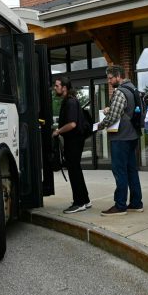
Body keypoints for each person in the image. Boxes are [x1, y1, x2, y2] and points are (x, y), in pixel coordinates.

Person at [96, 65, 143, 216]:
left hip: (121, 137)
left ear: (118, 76)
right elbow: (124, 110)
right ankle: (136, 203)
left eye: (110, 78)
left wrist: (99, 125)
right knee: (131, 171)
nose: (109, 81)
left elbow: (114, 116)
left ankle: (120, 205)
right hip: (133, 135)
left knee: (119, 171)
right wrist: (110, 110)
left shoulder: (120, 92)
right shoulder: (132, 89)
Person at [52, 77, 92, 214]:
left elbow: (72, 124)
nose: (54, 88)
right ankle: (85, 200)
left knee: (74, 170)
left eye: (57, 85)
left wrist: (58, 131)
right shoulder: (70, 101)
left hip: (74, 140)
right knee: (76, 170)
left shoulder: (70, 102)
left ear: (64, 87)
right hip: (75, 140)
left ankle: (79, 202)